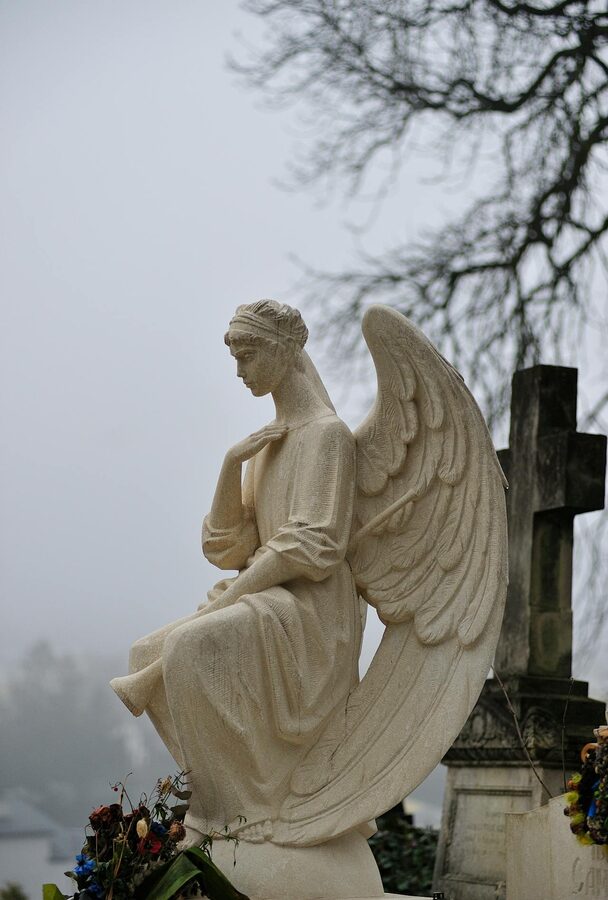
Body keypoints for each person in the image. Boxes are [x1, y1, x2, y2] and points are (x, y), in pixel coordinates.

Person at [111, 300, 362, 844]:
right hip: (263, 600)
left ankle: (249, 812)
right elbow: (228, 548)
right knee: (143, 656)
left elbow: (311, 546)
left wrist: (230, 601)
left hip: (311, 619)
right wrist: (231, 466)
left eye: (249, 356)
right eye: (237, 358)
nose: (240, 372)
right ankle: (219, 800)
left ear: (286, 351)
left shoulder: (329, 437)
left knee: (188, 648)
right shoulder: (269, 443)